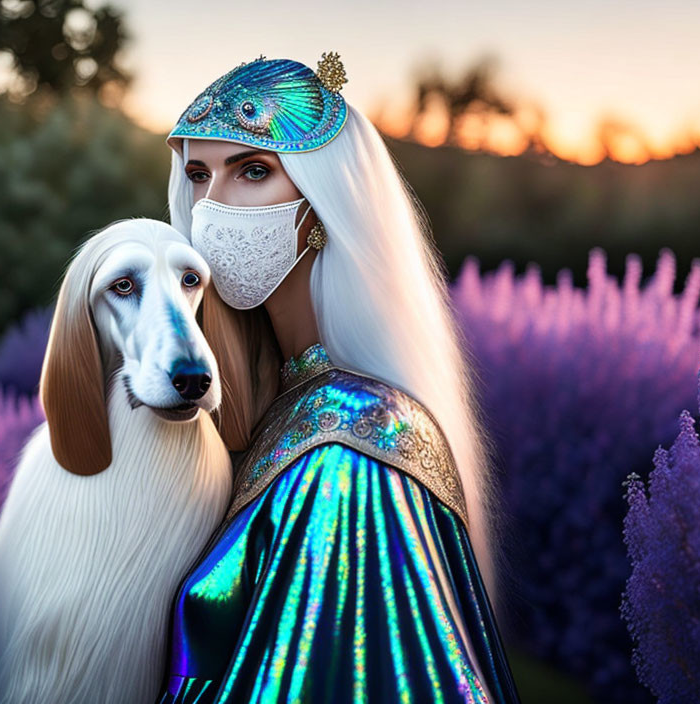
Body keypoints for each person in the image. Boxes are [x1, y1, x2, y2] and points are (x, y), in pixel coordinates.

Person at [156, 52, 521, 703]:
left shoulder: (354, 444)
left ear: (322, 205)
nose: (210, 206)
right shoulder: (280, 409)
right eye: (198, 175)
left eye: (254, 171)